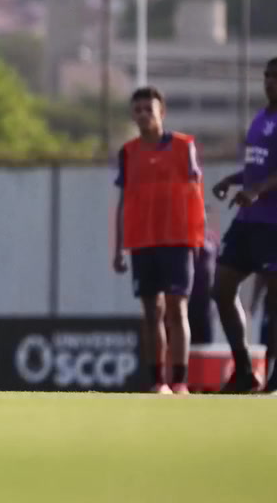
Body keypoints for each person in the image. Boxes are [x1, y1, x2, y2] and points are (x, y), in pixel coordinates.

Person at [212, 57, 277, 394]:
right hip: (248, 218)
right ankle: (243, 369)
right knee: (222, 288)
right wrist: (234, 179)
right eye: (266, 76)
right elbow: (257, 168)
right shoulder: (260, 117)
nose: (269, 82)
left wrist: (255, 190)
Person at [112, 87, 206, 395]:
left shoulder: (183, 146)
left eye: (147, 109)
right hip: (142, 241)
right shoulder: (128, 152)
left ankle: (179, 381)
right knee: (151, 312)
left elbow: (196, 194)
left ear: (161, 112)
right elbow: (124, 200)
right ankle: (158, 381)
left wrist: (199, 237)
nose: (142, 115)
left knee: (177, 309)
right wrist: (119, 247)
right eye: (137, 109)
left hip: (178, 240)